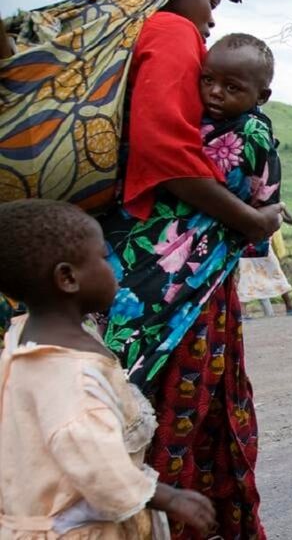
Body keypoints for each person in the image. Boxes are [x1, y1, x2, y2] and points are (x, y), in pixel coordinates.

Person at [96, 0, 281, 536]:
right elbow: (166, 152)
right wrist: (251, 221)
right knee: (162, 413)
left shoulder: (132, 35)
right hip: (171, 278)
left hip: (154, 260)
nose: (212, 13)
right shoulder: (174, 31)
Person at [0, 200, 217, 538]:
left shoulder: (23, 342)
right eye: (103, 258)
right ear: (68, 278)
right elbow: (99, 467)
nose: (114, 269)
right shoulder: (70, 378)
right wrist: (169, 497)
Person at [239, 214, 292, 317]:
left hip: (246, 248)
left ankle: (243, 312)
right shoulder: (269, 209)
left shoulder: (245, 209)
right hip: (263, 247)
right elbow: (289, 221)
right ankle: (289, 306)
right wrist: (282, 207)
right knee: (276, 275)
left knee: (246, 278)